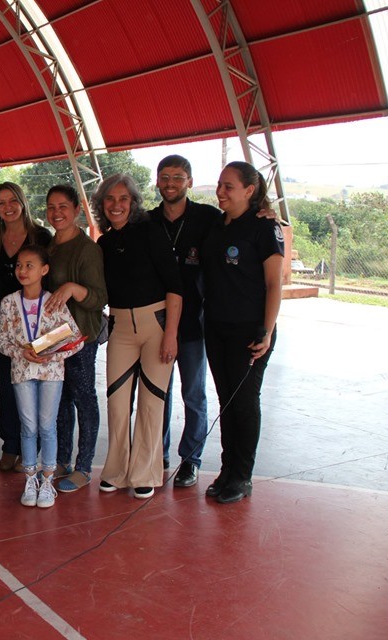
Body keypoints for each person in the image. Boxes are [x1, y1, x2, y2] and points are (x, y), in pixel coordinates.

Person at [94, 174, 183, 499]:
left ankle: (145, 472)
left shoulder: (151, 232)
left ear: (132, 203)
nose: (116, 205)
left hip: (156, 325)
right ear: (102, 205)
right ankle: (116, 471)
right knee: (117, 403)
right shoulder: (103, 244)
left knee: (150, 403)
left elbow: (175, 286)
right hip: (120, 328)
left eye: (123, 199)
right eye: (110, 199)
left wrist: (170, 334)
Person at [202, 161, 283, 504]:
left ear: (250, 191)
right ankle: (226, 470)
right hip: (216, 327)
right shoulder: (215, 225)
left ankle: (242, 476)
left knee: (244, 403)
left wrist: (266, 330)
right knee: (226, 401)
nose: (221, 192)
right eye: (219, 185)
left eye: (229, 187)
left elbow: (274, 283)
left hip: (250, 331)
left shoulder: (264, 228)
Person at [147, 155, 220, 487]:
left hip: (194, 324)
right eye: (164, 177)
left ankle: (190, 460)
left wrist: (263, 209)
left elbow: (243, 222)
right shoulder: (146, 222)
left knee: (194, 394)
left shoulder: (208, 218)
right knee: (158, 393)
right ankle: (157, 454)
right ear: (157, 181)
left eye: (177, 177)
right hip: (155, 324)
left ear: (189, 181)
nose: (170, 184)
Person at [0, 245, 82, 509]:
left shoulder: (54, 301)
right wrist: (23, 352)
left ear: (44, 270)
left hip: (51, 373)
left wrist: (50, 353)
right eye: (19, 265)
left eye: (29, 265)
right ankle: (30, 479)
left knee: (47, 426)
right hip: (21, 372)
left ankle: (47, 481)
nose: (22, 270)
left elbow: (75, 339)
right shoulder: (9, 302)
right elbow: (1, 342)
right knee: (28, 426)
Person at [0, 182, 52, 471]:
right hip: (5, 318)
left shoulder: (41, 236)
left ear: (22, 202)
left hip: (35, 318)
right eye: (1, 203)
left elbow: (51, 276)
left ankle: (32, 446)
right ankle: (10, 444)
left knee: (34, 380)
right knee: (7, 383)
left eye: (12, 200)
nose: (7, 207)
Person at [44, 185, 108, 493]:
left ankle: (84, 467)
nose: (57, 213)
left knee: (84, 399)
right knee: (60, 402)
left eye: (63, 207)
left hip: (80, 336)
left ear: (77, 210)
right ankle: (62, 460)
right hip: (53, 338)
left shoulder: (87, 249)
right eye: (51, 207)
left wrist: (72, 287)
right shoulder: (49, 246)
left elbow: (98, 298)